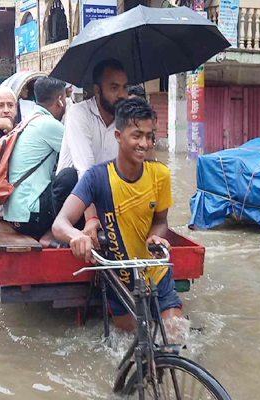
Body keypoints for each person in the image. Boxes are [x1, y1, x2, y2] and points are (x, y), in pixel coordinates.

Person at [52, 98, 182, 332]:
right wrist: (75, 236)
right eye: (137, 135)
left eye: (150, 135)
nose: (144, 143)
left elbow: (161, 221)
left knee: (176, 339)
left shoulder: (160, 174)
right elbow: (60, 224)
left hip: (156, 272)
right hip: (120, 277)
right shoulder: (97, 177)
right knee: (131, 343)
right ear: (119, 136)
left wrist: (156, 236)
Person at [4, 77, 74, 247]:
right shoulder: (48, 124)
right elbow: (80, 157)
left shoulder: (30, 119)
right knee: (73, 178)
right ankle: (52, 235)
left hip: (16, 215)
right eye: (65, 98)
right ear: (60, 100)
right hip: (31, 217)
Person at [57, 59, 129, 177]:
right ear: (97, 90)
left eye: (125, 87)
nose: (122, 94)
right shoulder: (79, 114)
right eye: (114, 88)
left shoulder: (126, 119)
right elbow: (86, 173)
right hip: (74, 190)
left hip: (108, 186)